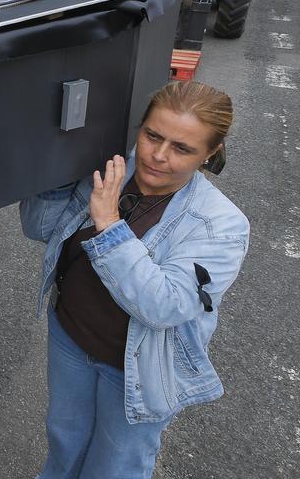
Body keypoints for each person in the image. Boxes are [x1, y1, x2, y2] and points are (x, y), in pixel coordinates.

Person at [20, 81, 248, 479]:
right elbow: (40, 228)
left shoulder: (221, 225)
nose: (158, 157)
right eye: (152, 136)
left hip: (138, 365)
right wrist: (56, 174)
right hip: (70, 336)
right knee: (64, 441)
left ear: (210, 153)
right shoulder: (112, 168)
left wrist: (109, 225)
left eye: (182, 149)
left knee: (116, 466)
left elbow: (165, 305)